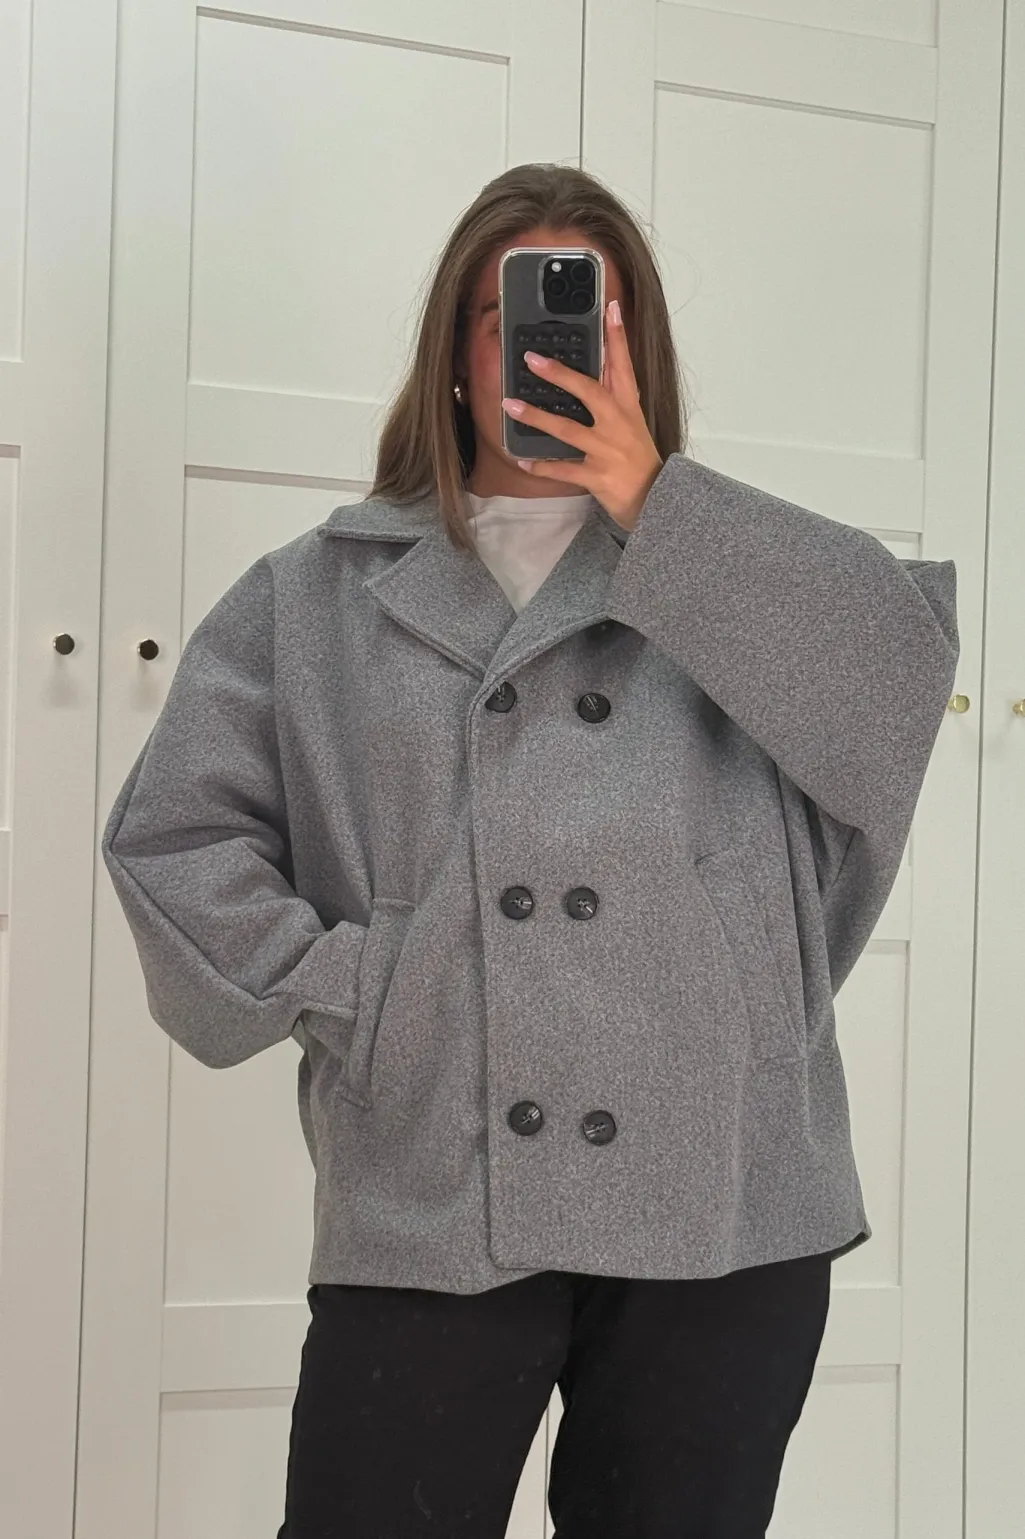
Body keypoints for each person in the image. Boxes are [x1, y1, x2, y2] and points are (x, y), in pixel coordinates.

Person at [102, 163, 960, 1537]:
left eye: (596, 321)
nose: (559, 351)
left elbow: (893, 695)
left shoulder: (735, 571)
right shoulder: (319, 595)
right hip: (431, 1190)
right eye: (520, 320)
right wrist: (367, 991)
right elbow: (174, 838)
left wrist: (658, 500)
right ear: (458, 352)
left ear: (638, 353)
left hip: (722, 1202)